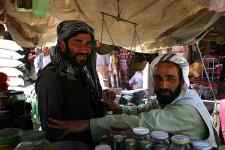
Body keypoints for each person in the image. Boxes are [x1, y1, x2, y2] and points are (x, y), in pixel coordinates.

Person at [48, 53, 218, 148]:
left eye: (170, 78)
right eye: (158, 78)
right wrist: (117, 107)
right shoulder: (172, 97)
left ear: (182, 82)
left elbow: (141, 120)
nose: (163, 84)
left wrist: (88, 124)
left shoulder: (186, 109)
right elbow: (142, 110)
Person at [35, 20, 114, 145]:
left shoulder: (83, 71)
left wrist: (103, 104)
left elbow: (85, 109)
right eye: (77, 42)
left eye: (88, 43)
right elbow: (54, 129)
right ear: (62, 45)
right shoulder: (51, 78)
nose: (85, 50)